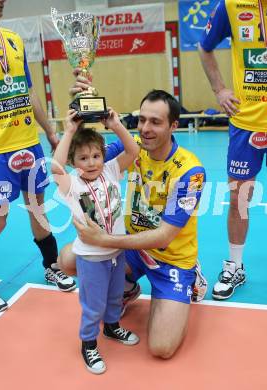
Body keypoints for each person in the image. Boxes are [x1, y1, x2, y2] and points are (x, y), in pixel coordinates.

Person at [71, 77, 207, 359]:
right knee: (70, 259)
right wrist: (80, 113)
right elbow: (85, 158)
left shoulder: (190, 172)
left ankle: (191, 276)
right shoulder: (130, 145)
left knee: (161, 348)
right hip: (133, 250)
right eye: (142, 119)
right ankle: (128, 287)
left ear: (173, 126)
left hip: (171, 257)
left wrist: (104, 239)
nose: (145, 128)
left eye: (155, 122)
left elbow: (165, 235)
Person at [0, 0, 76, 313]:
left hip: (27, 143)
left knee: (38, 208)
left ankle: (51, 265)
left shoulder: (14, 39)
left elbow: (29, 91)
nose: (1, 0)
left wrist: (49, 131)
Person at [52, 108, 140, 374]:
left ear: (103, 156)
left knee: (115, 297)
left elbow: (133, 150)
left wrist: (115, 124)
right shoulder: (72, 185)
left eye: (96, 156)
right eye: (83, 158)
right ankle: (88, 343)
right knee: (93, 304)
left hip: (117, 252)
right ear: (73, 162)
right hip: (91, 257)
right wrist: (68, 131)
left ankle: (112, 327)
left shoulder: (111, 171)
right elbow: (55, 167)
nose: (91, 162)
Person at [198, 0, 266, 300]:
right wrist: (219, 89)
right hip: (246, 122)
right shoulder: (231, 5)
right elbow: (205, 46)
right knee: (239, 197)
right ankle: (235, 266)